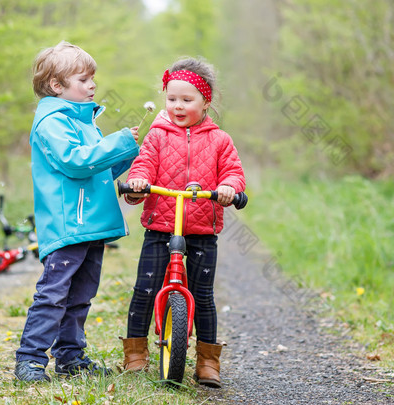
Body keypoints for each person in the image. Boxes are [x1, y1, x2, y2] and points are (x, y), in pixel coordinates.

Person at [14, 41, 140, 382]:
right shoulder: (53, 122)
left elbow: (96, 172)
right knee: (54, 294)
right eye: (84, 79)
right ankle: (30, 359)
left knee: (80, 295)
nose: (92, 85)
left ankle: (70, 356)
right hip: (69, 223)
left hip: (90, 223)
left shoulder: (82, 121)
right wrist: (119, 142)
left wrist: (127, 154)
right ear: (57, 86)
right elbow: (76, 162)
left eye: (92, 79)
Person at [120, 57, 246, 388]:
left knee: (203, 295)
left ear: (206, 102)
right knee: (145, 288)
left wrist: (229, 188)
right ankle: (135, 352)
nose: (177, 106)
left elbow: (232, 171)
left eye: (187, 100)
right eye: (172, 98)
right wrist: (137, 184)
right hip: (161, 225)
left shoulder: (220, 140)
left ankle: (207, 361)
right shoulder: (157, 135)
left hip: (203, 228)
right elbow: (144, 165)